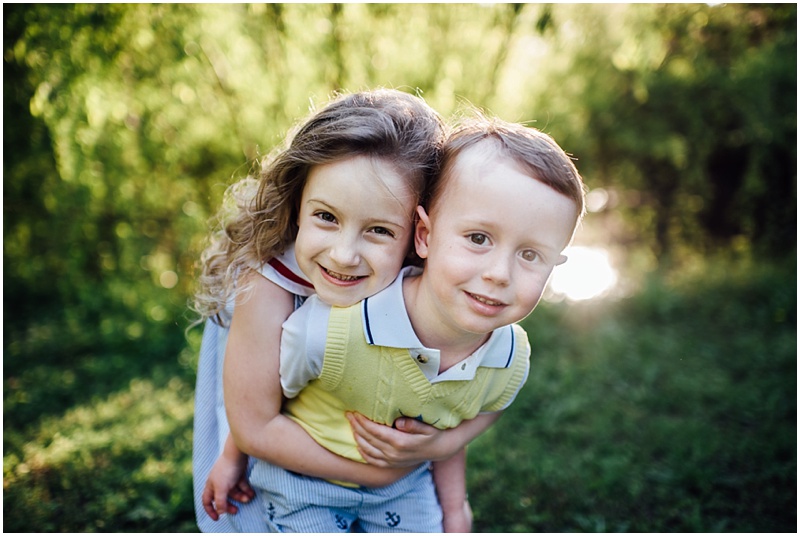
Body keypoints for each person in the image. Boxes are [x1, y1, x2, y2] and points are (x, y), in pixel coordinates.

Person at [243, 115, 587, 532]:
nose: (500, 274)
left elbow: (483, 405)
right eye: (478, 238)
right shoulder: (330, 330)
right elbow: (262, 406)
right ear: (424, 235)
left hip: (405, 491)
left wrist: (449, 466)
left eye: (531, 255)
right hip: (305, 486)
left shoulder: (509, 358)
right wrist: (232, 452)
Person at [193, 88, 493, 532]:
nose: (343, 255)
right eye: (327, 217)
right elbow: (255, 427)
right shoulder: (267, 283)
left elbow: (446, 398)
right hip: (282, 448)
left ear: (419, 234)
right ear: (297, 204)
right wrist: (381, 473)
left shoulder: (419, 290)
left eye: (378, 230)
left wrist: (441, 456)